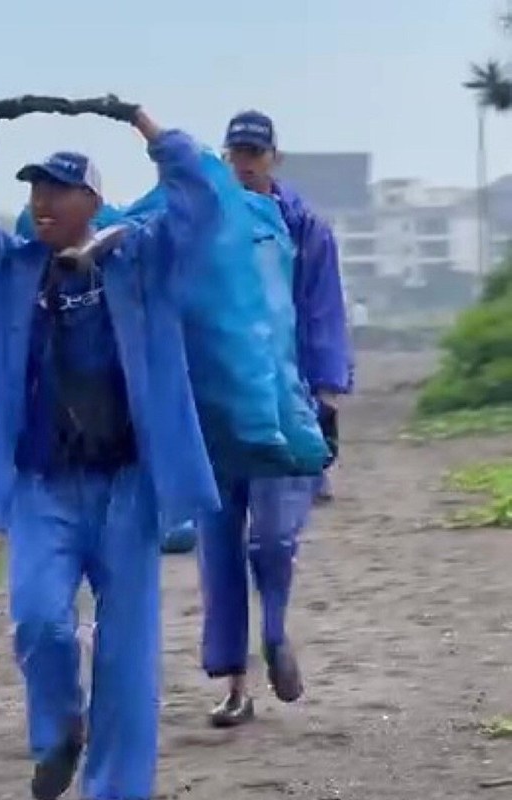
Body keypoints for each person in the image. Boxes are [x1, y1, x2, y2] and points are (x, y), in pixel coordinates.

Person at [0, 93, 223, 800]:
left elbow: (202, 202)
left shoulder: (144, 262)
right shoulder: (9, 269)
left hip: (127, 488)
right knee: (39, 622)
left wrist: (143, 122)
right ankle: (61, 728)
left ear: (92, 200)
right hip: (42, 488)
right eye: (34, 188)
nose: (42, 201)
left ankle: (115, 790)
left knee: (127, 654)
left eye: (58, 189)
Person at [197, 110, 353, 728]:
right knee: (218, 547)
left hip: (285, 404)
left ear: (273, 159)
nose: (245, 163)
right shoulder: (205, 222)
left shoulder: (304, 227)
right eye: (235, 152)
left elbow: (323, 313)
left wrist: (327, 397)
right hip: (216, 407)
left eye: (254, 153)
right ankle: (235, 685)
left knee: (273, 540)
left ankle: (276, 632)